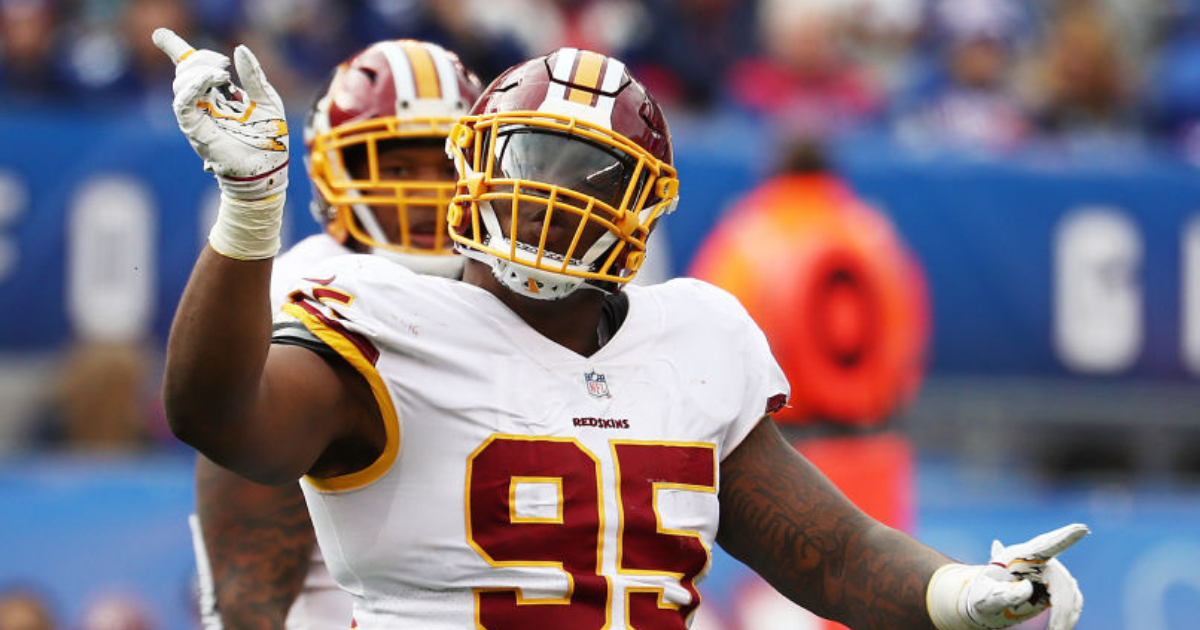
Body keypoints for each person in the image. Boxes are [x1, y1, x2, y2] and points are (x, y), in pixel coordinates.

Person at [154, 27, 1089, 630]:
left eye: (586, 177)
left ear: (643, 209)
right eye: (531, 164)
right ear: (470, 169)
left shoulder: (692, 338)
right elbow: (218, 415)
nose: (549, 199)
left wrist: (966, 595)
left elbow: (834, 552)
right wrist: (247, 208)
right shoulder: (380, 318)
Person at [187, 39, 484, 630]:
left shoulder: (509, 293)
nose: (428, 192)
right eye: (396, 167)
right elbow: (249, 580)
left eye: (447, 167)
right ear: (333, 173)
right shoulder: (308, 291)